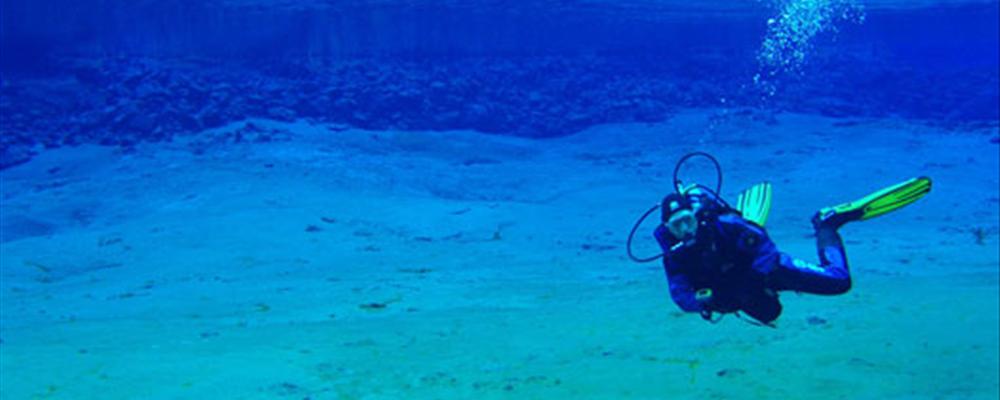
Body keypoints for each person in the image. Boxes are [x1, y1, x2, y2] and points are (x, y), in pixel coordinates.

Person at [636, 154, 931, 326]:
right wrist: (703, 302)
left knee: (840, 282)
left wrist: (758, 275)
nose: (685, 229)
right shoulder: (674, 256)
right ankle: (755, 295)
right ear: (667, 228)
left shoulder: (724, 226)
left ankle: (827, 222)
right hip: (737, 291)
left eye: (687, 220)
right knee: (769, 314)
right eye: (677, 225)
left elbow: (765, 246)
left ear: (695, 216)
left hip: (772, 271)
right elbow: (679, 292)